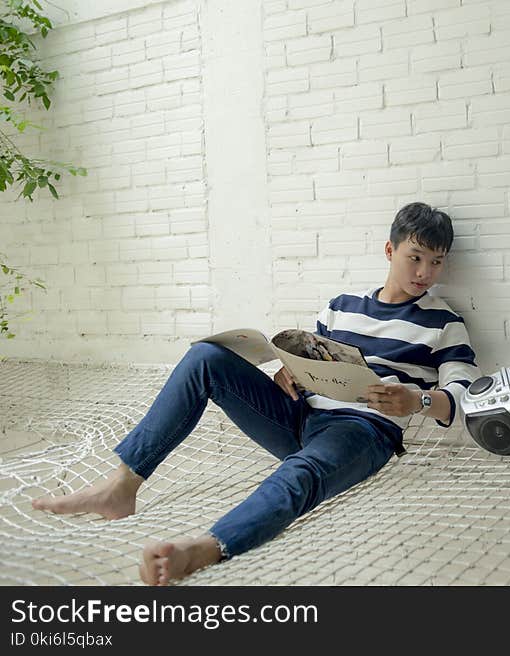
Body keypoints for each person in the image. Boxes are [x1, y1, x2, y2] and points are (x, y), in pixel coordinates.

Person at [31, 202, 480, 585]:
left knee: (303, 470)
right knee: (205, 359)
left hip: (364, 431)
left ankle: (207, 547)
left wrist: (417, 401)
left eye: (436, 262)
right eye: (415, 257)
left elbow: (462, 396)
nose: (425, 272)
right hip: (299, 414)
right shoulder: (341, 306)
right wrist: (291, 372)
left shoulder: (443, 322)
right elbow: (314, 359)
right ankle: (121, 486)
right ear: (390, 250)